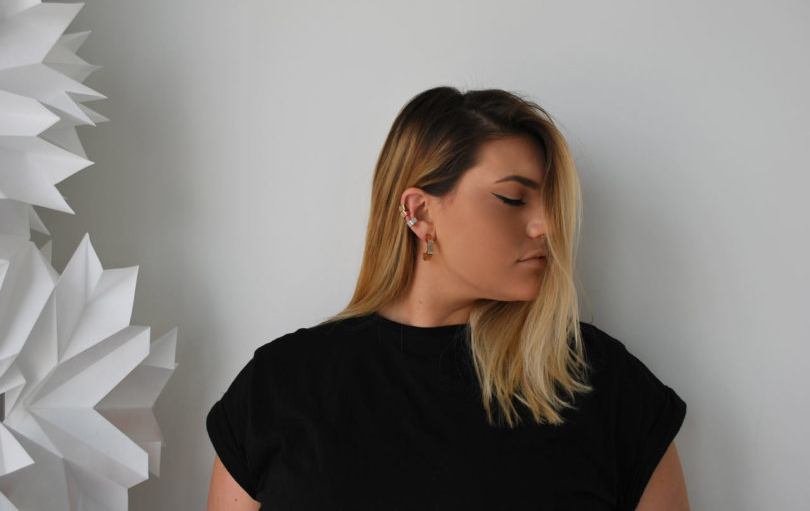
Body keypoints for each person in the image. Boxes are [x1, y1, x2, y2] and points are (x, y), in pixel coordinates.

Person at [206, 86, 690, 510]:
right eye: (513, 198)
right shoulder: (279, 387)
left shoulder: (600, 383)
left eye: (552, 202)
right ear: (419, 213)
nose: (547, 225)